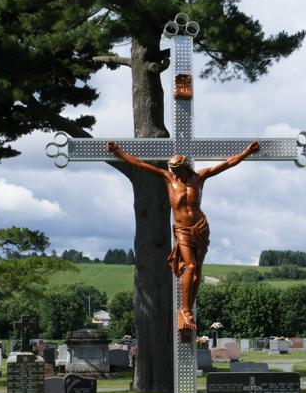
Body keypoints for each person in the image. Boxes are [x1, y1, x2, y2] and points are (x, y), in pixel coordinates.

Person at [106, 140, 260, 333]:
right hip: (182, 230)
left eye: (177, 171)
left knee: (197, 273)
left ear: (185, 168)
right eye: (173, 171)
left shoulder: (199, 177)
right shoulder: (168, 178)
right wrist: (119, 152)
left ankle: (189, 309)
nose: (175, 174)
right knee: (191, 266)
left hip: (200, 226)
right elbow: (140, 164)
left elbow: (227, 164)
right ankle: (185, 309)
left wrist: (247, 151)